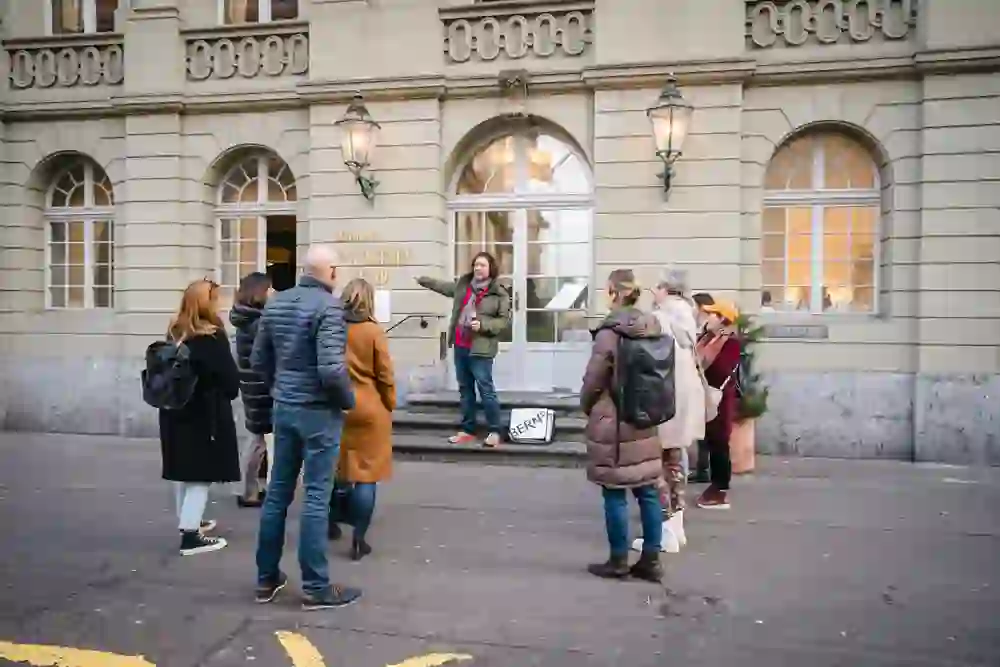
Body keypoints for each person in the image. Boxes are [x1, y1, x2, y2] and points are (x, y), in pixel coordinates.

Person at [250, 244, 361, 611]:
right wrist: (347, 401)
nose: (337, 275)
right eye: (336, 269)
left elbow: (258, 359)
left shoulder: (276, 303)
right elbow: (331, 370)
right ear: (328, 272)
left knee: (278, 492)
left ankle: (266, 579)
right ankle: (315, 587)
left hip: (286, 408)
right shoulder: (329, 307)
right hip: (318, 412)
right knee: (316, 496)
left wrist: (278, 390)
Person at [581, 269, 666, 583]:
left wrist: (588, 406)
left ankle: (618, 561)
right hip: (645, 416)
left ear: (613, 292)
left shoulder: (609, 332)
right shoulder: (653, 326)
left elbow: (594, 379)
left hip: (614, 419)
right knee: (647, 491)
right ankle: (651, 561)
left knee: (615, 491)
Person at [158, 279, 241, 556]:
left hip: (174, 411)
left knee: (183, 468)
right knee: (201, 474)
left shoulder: (176, 331)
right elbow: (230, 381)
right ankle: (190, 535)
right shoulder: (211, 336)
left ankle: (188, 520)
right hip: (205, 413)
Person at [632, 270, 705, 555]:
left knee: (658, 465)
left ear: (667, 289)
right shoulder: (686, 314)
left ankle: (664, 531)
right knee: (675, 461)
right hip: (684, 399)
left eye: (657, 286)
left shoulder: (662, 317)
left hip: (664, 398)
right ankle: (676, 525)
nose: (654, 292)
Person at [328, 278, 396, 561]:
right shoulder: (372, 331)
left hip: (337, 405)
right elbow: (385, 374)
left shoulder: (331, 328)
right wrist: (389, 403)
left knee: (339, 468)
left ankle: (331, 522)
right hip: (369, 407)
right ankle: (359, 538)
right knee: (367, 475)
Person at [415, 252, 511, 448]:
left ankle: (495, 430)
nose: (478, 268)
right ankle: (468, 430)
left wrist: (483, 325)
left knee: (485, 389)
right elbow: (443, 287)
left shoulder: (499, 293)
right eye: (475, 265)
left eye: (482, 265)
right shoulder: (463, 286)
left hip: (481, 349)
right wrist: (424, 280)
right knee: (465, 389)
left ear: (490, 268)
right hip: (461, 345)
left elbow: (503, 322)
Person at [230, 272, 275, 508]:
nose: (273, 293)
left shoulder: (246, 318)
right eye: (270, 289)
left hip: (252, 384)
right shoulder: (258, 322)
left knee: (258, 438)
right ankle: (249, 491)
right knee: (260, 440)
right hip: (262, 385)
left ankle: (254, 487)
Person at [695, 299, 742, 510]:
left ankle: (720, 489)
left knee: (720, 443)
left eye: (712, 315)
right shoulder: (707, 338)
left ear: (723, 319)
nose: (707, 318)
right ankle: (715, 487)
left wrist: (701, 364)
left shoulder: (730, 343)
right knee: (712, 442)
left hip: (720, 399)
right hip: (705, 397)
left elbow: (722, 369)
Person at [688, 291, 716, 484]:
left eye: (694, 306)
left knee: (708, 430)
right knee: (704, 430)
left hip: (708, 384)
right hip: (703, 383)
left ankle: (705, 469)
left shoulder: (711, 330)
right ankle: (703, 467)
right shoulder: (704, 329)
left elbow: (706, 357)